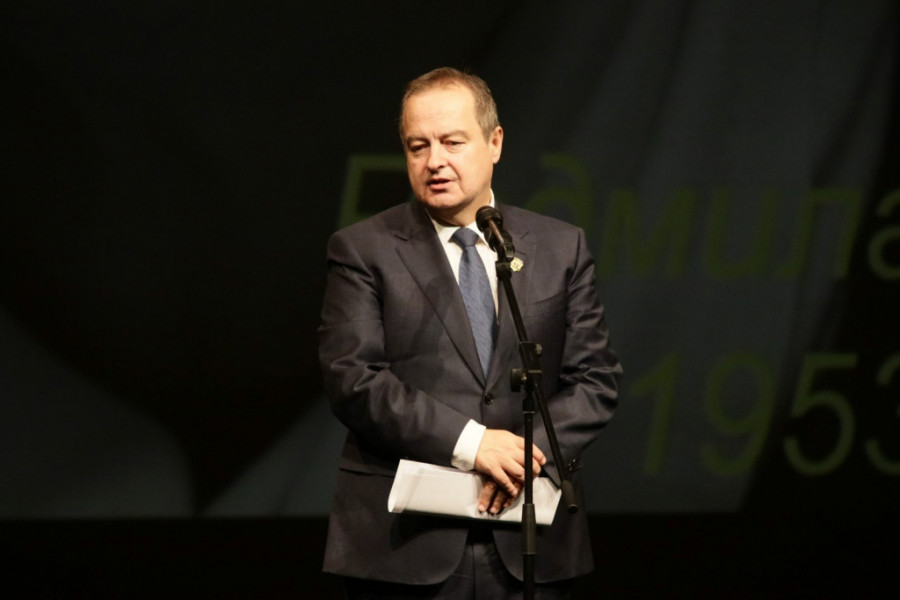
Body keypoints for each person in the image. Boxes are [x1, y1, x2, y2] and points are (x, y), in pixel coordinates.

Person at [318, 67, 621, 599]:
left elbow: (596, 381)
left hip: (531, 537)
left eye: (452, 142)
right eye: (418, 146)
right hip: (407, 546)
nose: (434, 161)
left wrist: (523, 458)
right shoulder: (363, 250)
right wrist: (475, 445)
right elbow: (354, 379)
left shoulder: (559, 246)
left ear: (494, 142)